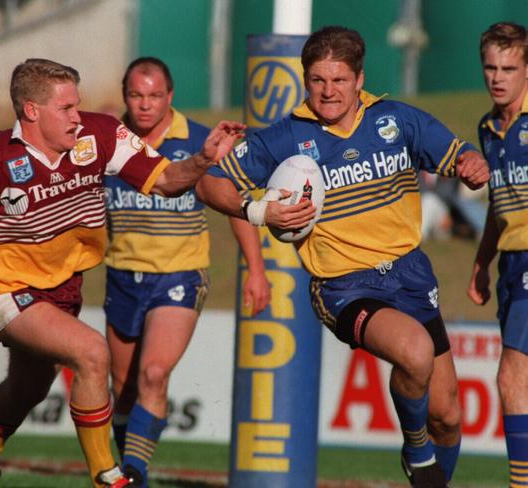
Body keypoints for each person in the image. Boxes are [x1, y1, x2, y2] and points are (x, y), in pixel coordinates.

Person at [0, 58, 244, 488]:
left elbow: (168, 180)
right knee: (92, 353)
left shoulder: (99, 135)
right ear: (32, 110)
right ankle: (107, 476)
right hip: (6, 292)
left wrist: (203, 159)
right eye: (66, 109)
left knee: (29, 386)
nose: (78, 117)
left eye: (77, 106)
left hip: (62, 289)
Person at [196, 26, 490, 487]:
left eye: (338, 80)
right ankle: (415, 450)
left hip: (410, 274)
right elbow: (211, 182)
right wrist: (258, 209)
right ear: (305, 79)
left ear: (359, 79)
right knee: (414, 352)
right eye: (317, 80)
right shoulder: (286, 136)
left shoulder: (395, 119)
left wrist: (471, 163)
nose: (327, 91)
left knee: (448, 415)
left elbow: (456, 153)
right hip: (344, 286)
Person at [103, 57, 270, 486]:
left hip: (180, 276)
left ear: (170, 96)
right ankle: (126, 466)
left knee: (154, 374)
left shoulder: (198, 140)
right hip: (122, 273)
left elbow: (230, 203)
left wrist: (256, 269)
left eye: (154, 96)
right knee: (122, 386)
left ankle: (135, 472)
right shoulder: (106, 142)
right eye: (136, 95)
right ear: (125, 95)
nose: (145, 105)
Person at [467, 22, 528, 485]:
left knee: (512, 375)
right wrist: (481, 264)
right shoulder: (488, 127)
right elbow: (498, 203)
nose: (498, 76)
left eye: (509, 67)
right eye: (491, 66)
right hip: (510, 262)